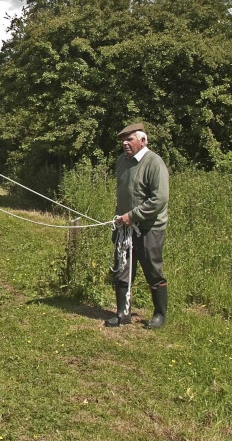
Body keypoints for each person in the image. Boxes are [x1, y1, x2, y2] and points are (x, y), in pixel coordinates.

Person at [105, 122, 170, 329]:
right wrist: (119, 219)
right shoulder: (122, 162)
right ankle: (122, 313)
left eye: (129, 139)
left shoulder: (154, 163)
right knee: (122, 269)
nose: (125, 143)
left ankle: (159, 315)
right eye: (123, 140)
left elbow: (159, 199)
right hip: (124, 227)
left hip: (149, 228)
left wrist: (132, 216)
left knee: (152, 270)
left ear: (143, 140)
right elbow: (123, 195)